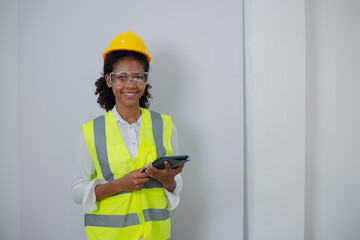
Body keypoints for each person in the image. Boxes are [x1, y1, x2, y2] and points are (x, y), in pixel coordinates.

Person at [71, 31, 184, 240]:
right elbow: (77, 190)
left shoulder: (166, 125)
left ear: (145, 81)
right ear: (108, 80)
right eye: (121, 77)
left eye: (138, 77)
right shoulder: (90, 132)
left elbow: (175, 186)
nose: (131, 84)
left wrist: (169, 181)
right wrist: (119, 185)